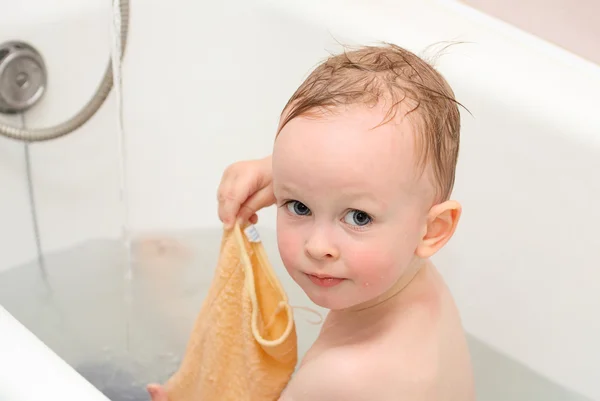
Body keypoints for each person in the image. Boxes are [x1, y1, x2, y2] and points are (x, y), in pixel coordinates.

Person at [151, 42, 475, 400]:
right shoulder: (418, 291)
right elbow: (350, 172)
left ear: (434, 229)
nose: (317, 246)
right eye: (299, 206)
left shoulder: (342, 378)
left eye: (358, 217)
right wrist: (277, 171)